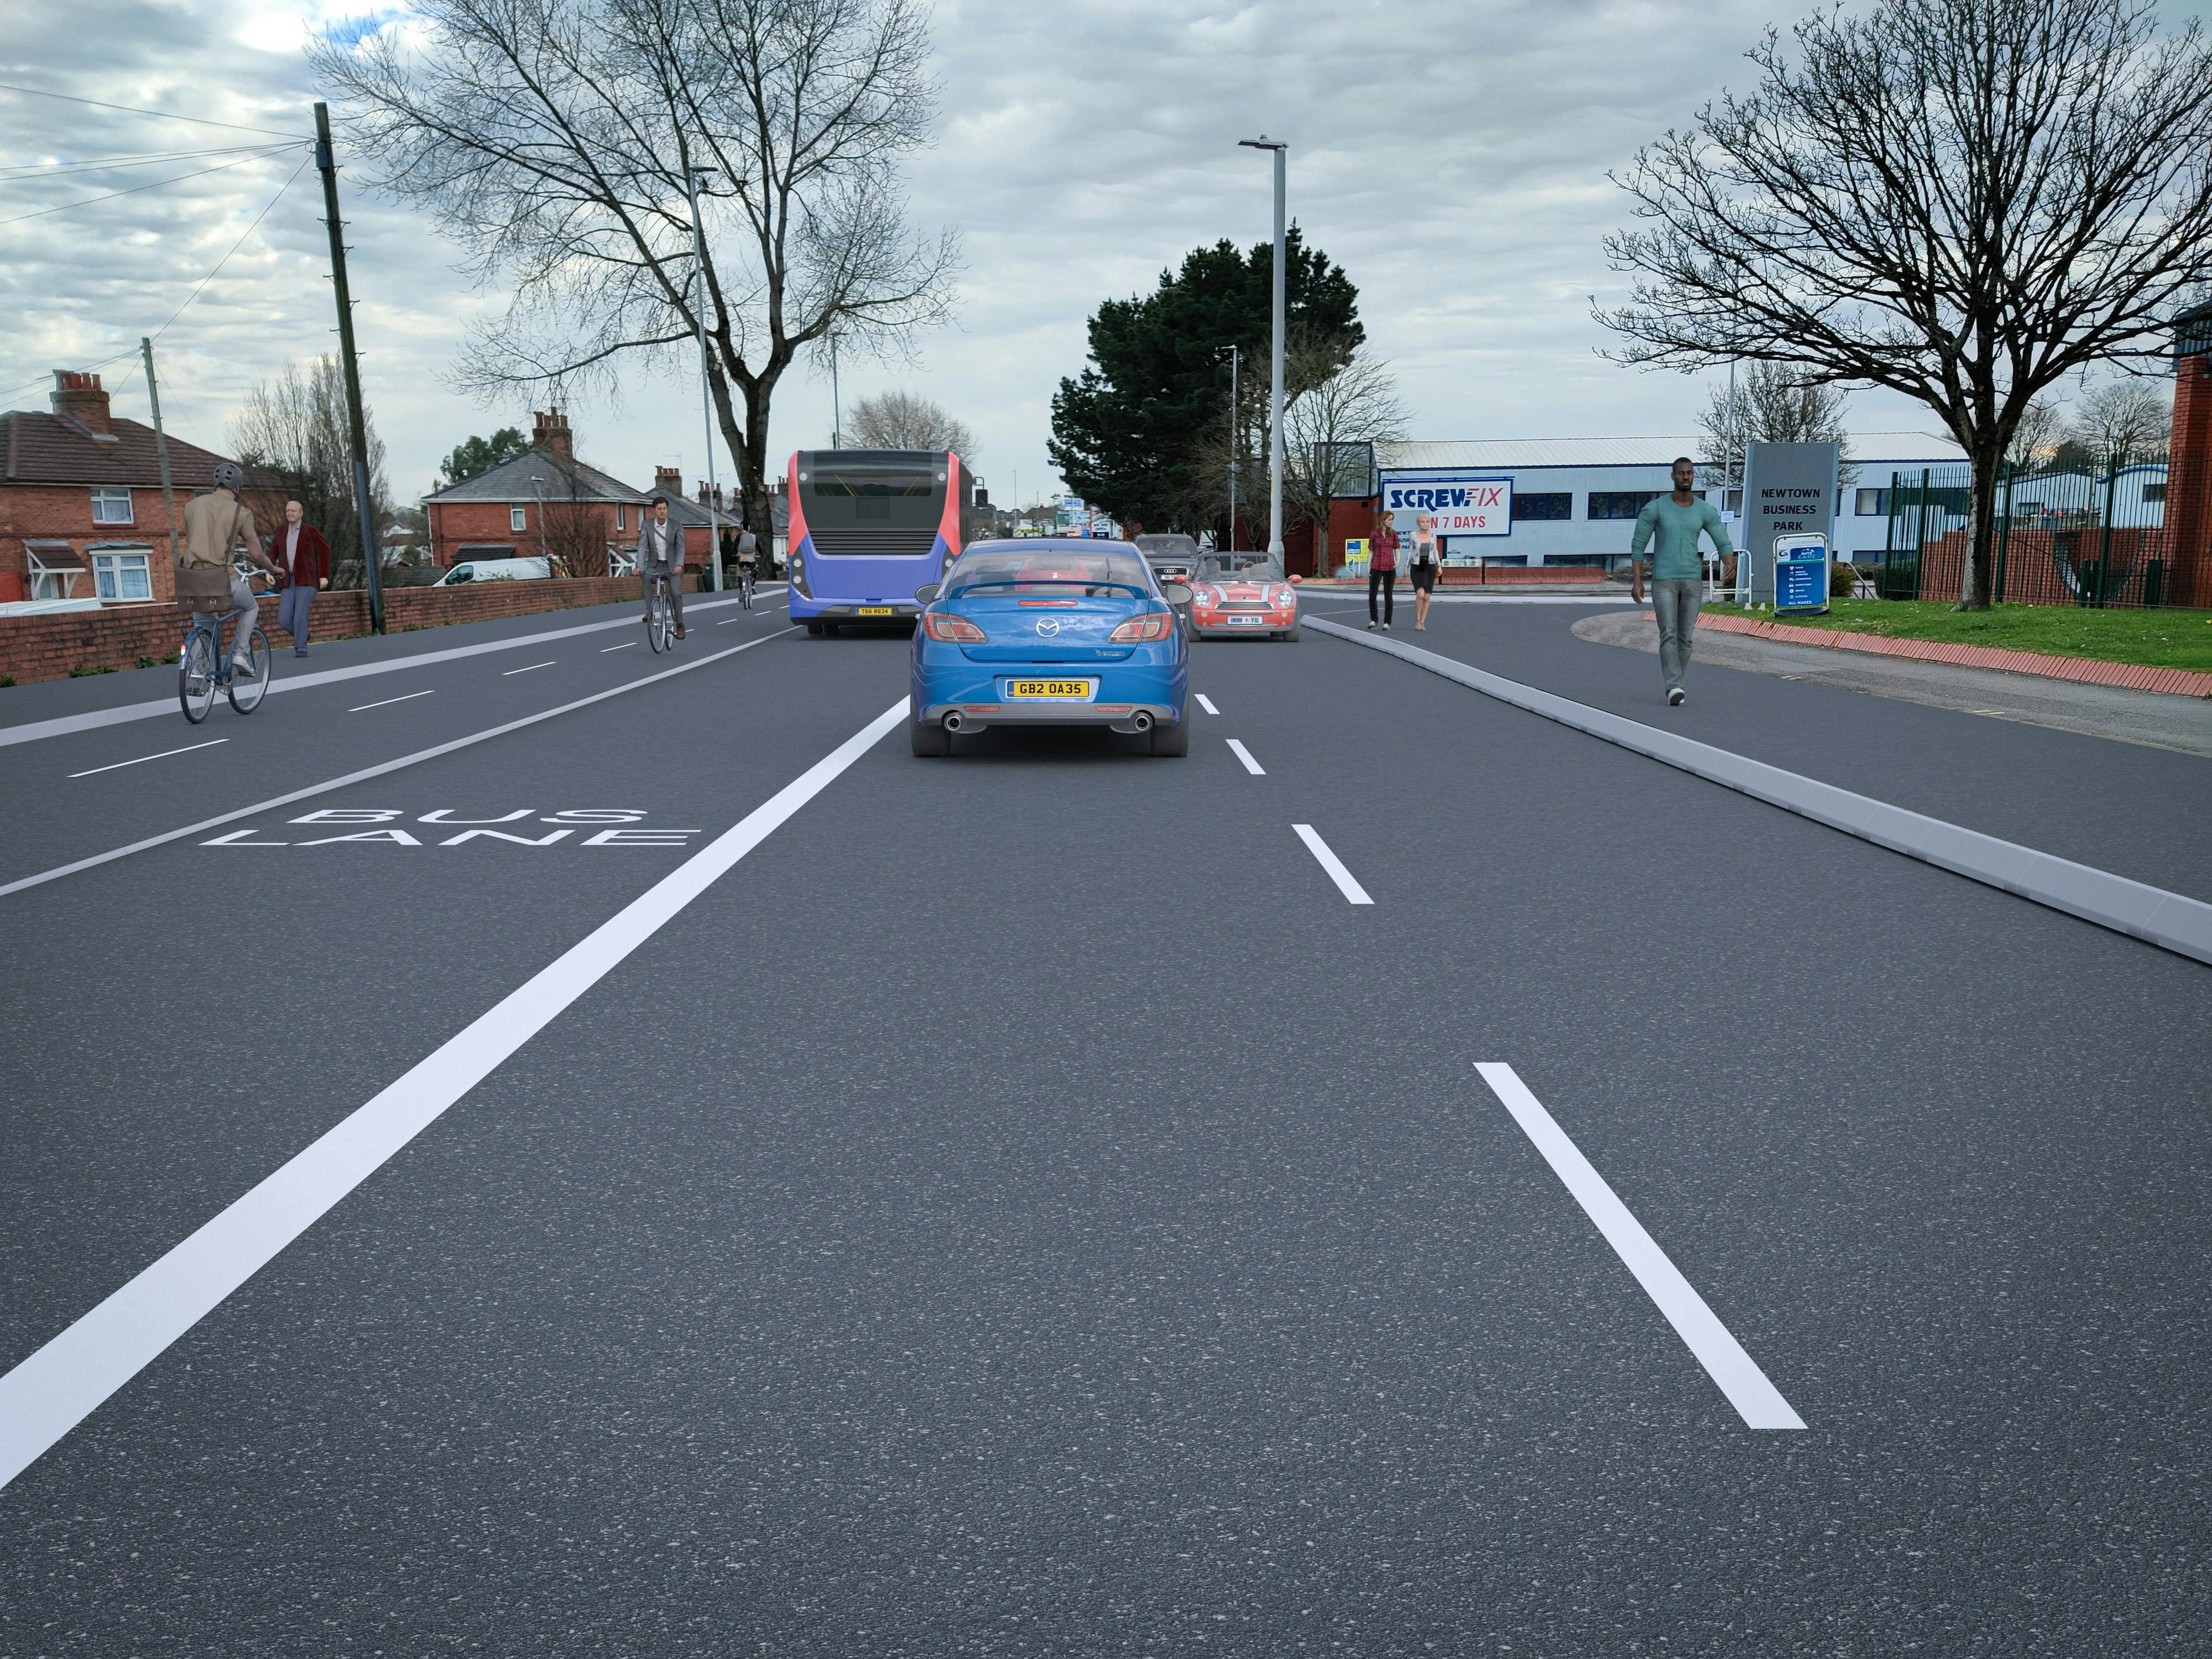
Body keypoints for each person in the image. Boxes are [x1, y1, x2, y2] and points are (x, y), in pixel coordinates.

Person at [1630, 456, 1735, 707]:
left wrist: (1728, 562)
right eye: (1681, 473)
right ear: (1673, 476)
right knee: (1669, 632)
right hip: (1664, 580)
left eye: (1690, 473)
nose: (1686, 477)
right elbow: (1638, 545)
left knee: (1686, 637)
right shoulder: (1656, 509)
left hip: (1692, 581)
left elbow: (1722, 540)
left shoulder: (1704, 510)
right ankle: (1674, 686)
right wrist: (1637, 581)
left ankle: (1677, 684)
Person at [180, 462, 280, 678]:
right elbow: (257, 554)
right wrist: (273, 569)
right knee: (251, 606)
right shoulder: (242, 513)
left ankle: (197, 670)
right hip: (222, 580)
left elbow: (193, 540)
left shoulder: (191, 506)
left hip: (192, 580)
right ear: (237, 487)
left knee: (202, 624)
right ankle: (241, 654)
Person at [268, 499, 330, 657]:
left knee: (300, 615)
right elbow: (273, 552)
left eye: (293, 511)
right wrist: (269, 571)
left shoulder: (311, 531)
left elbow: (324, 553)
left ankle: (301, 648)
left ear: (301, 513)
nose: (290, 513)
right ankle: (303, 635)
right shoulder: (282, 531)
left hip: (308, 580)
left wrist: (323, 575)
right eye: (288, 511)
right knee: (283, 619)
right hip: (288, 580)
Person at [637, 493, 686, 639]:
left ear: (667, 509)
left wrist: (679, 564)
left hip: (673, 568)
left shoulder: (676, 526)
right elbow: (642, 546)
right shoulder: (647, 525)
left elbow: (681, 548)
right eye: (659, 509)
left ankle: (680, 625)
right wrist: (639, 566)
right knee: (645, 576)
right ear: (654, 510)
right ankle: (651, 611)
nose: (662, 511)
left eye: (665, 508)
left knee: (676, 594)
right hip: (655, 565)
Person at [1407, 510, 1441, 630]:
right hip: (1417, 566)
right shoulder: (1413, 535)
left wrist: (1439, 565)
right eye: (1423, 522)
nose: (1425, 524)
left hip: (1430, 566)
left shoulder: (1433, 535)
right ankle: (1417, 620)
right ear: (1418, 523)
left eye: (1427, 522)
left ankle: (1422, 622)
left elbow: (1435, 550)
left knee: (1427, 597)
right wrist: (1406, 565)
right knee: (1420, 594)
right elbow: (1411, 550)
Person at [1368, 516, 1401, 631]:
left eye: (1392, 520)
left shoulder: (1394, 534)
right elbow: (1371, 551)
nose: (1391, 522)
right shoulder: (1374, 534)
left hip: (1390, 568)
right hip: (1376, 566)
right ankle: (1374, 620)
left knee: (1388, 595)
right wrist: (1368, 566)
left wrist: (1398, 561)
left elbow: (1397, 550)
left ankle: (1387, 622)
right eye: (1389, 519)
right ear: (1383, 520)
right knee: (1372, 594)